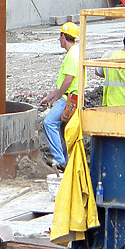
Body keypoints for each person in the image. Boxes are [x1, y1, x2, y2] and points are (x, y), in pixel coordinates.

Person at [40, 22, 80, 171]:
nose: (59, 40)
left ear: (63, 36)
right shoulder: (75, 53)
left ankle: (59, 160)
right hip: (70, 97)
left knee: (49, 123)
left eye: (60, 36)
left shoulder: (72, 56)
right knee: (64, 130)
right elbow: (63, 82)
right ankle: (66, 161)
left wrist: (57, 98)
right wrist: (50, 96)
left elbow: (68, 81)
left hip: (69, 98)